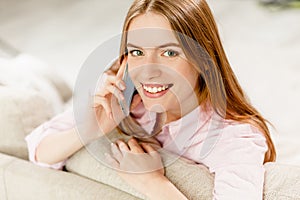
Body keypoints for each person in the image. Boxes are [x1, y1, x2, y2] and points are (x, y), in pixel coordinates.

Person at [26, 0, 277, 199]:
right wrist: (90, 128)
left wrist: (154, 184)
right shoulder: (123, 99)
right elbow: (38, 151)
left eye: (169, 52)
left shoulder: (234, 137)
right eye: (137, 52)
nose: (148, 70)